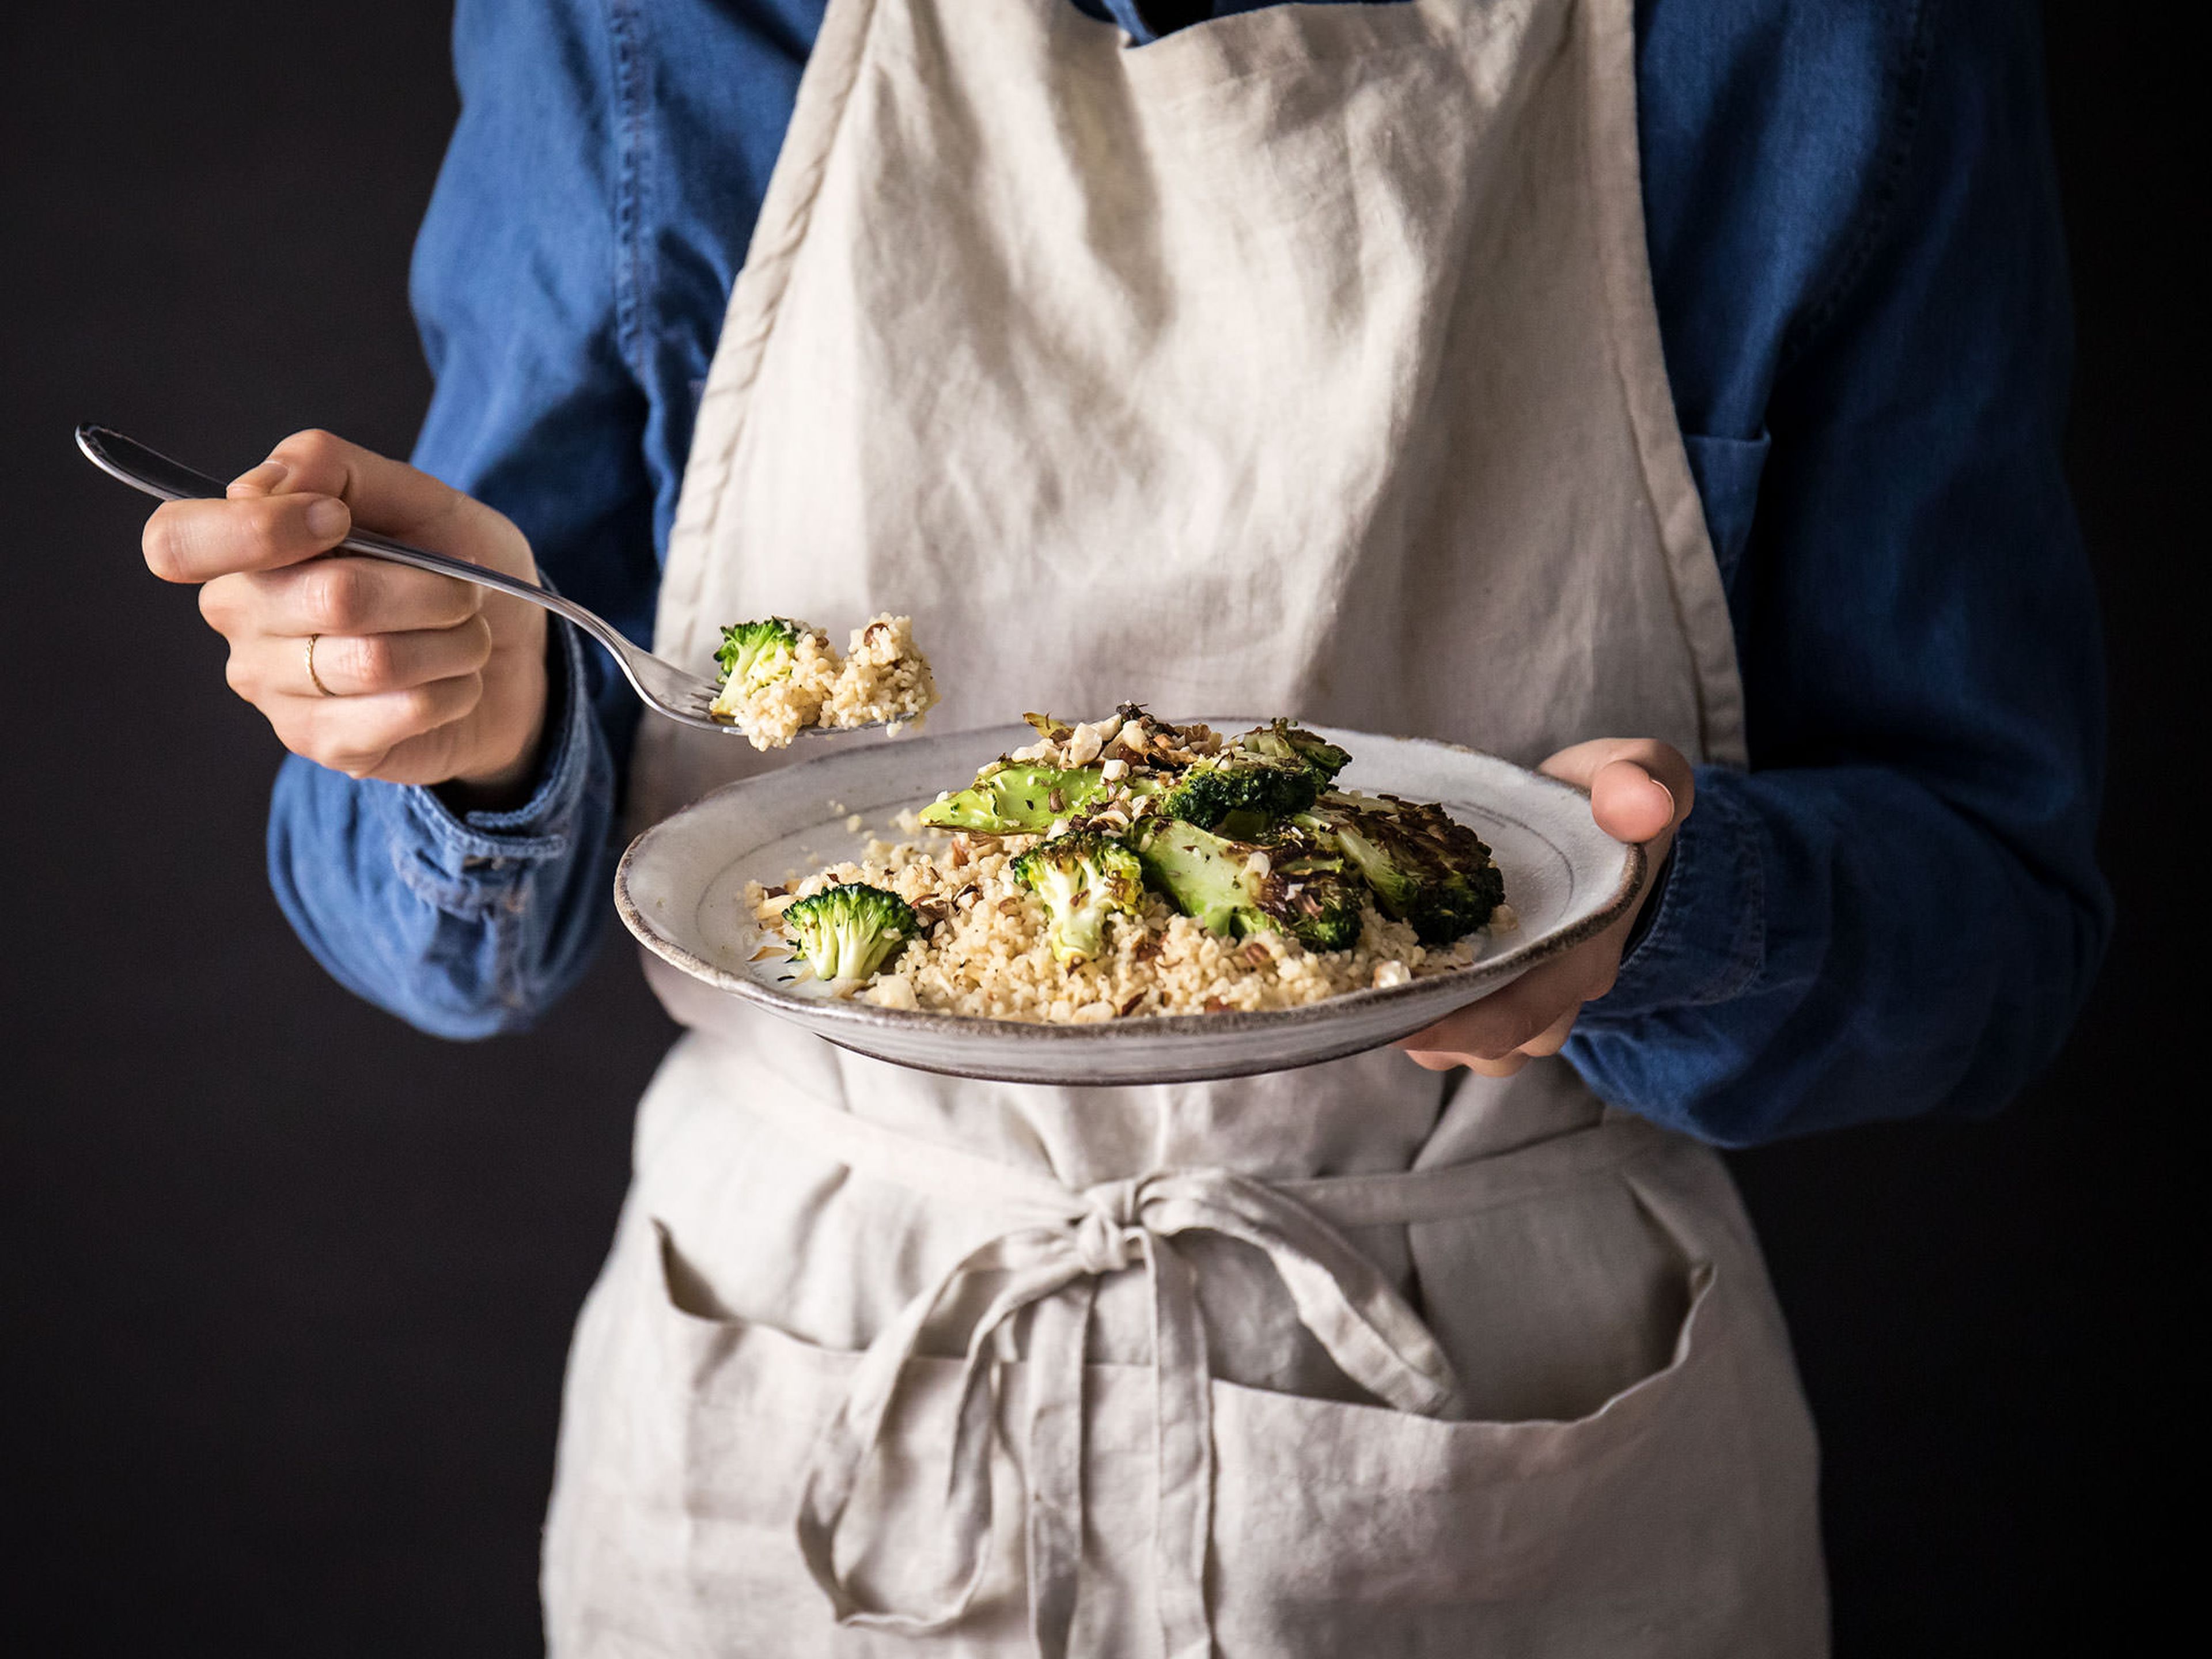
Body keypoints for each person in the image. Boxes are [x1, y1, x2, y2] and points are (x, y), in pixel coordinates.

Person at [138, 0, 2107, 1652]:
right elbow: (431, 944)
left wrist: (1660, 916)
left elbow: (1999, 930)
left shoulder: (1825, 38)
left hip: (1513, 1451)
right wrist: (474, 731)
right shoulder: (644, 25)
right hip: (803, 1405)